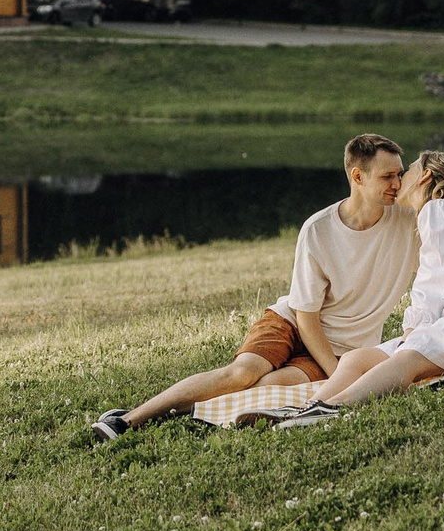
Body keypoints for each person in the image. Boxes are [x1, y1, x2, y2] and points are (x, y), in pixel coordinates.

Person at [91, 133, 419, 441]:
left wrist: (340, 368)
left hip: (344, 348)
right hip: (292, 322)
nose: (398, 183)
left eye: (400, 174)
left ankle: (182, 411)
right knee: (242, 374)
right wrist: (337, 376)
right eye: (387, 176)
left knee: (268, 386)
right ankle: (126, 420)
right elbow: (305, 316)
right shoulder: (318, 230)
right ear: (358, 177)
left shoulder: (411, 221)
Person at [274, 150, 444, 428]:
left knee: (408, 358)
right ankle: (306, 408)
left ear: (424, 176)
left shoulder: (439, 209)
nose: (399, 181)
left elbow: (437, 276)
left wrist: (414, 326)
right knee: (356, 358)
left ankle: (332, 408)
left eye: (406, 172)